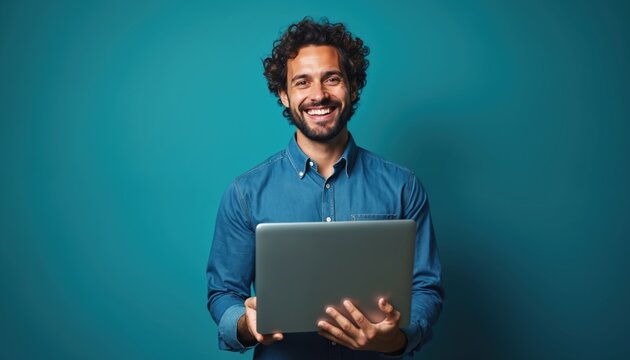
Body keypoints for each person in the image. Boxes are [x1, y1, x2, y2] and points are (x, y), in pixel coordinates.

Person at [206, 17, 444, 359]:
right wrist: (246, 324)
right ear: (284, 95)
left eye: (332, 79)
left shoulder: (403, 186)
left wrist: (395, 340)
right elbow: (223, 293)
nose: (318, 95)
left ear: (353, 87)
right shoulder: (245, 192)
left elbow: (426, 288)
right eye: (302, 82)